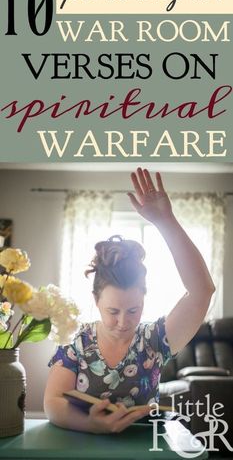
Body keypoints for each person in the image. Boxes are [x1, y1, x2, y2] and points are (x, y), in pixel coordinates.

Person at [44, 168, 215, 434]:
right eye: (113, 310)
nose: (123, 322)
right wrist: (92, 424)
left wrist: (165, 220)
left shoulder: (155, 339)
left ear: (145, 298)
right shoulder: (77, 342)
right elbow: (52, 403)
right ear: (95, 300)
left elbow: (202, 291)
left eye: (133, 309)